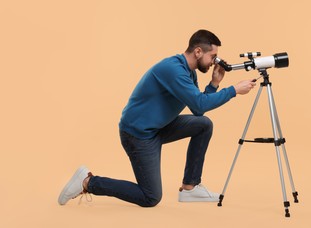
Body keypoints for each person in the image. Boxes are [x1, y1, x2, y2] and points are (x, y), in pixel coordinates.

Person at [58, 29, 256, 207]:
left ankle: (190, 188)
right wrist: (234, 90)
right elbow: (200, 104)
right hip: (138, 135)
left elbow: (198, 110)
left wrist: (214, 84)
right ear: (198, 52)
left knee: (203, 124)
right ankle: (88, 181)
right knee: (151, 197)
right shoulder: (174, 70)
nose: (214, 61)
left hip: (159, 127)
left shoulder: (189, 73)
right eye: (213, 56)